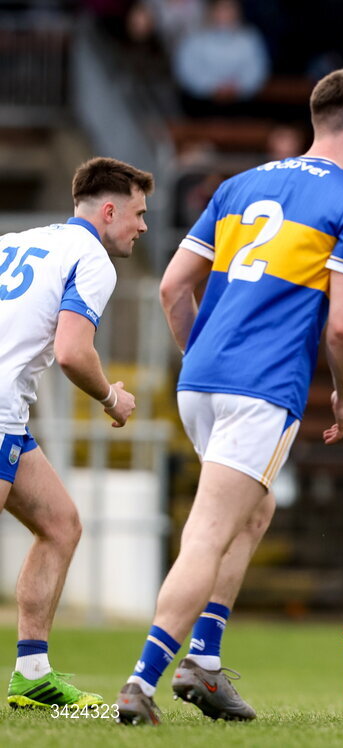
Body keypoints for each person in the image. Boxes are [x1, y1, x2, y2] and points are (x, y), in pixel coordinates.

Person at [116, 67, 343, 726]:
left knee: (253, 512)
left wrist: (202, 359)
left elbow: (171, 288)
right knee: (210, 532)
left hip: (201, 379)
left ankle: (204, 665)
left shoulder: (239, 185)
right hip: (262, 388)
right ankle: (141, 681)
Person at [1, 158, 147, 708]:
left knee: (60, 525)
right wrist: (112, 396)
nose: (142, 226)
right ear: (108, 210)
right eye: (137, 213)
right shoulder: (92, 259)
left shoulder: (16, 239)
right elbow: (71, 351)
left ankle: (34, 675)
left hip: (9, 419)